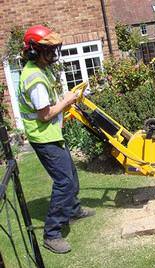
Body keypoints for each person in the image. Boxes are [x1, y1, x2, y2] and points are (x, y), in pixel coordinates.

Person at [18, 25, 95, 254]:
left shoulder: (43, 69)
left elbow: (53, 103)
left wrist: (66, 101)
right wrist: (67, 101)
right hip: (44, 137)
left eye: (54, 49)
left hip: (53, 134)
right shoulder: (34, 78)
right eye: (48, 50)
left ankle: (72, 210)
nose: (53, 54)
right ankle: (51, 234)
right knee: (64, 182)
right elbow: (45, 114)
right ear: (33, 51)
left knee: (70, 174)